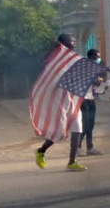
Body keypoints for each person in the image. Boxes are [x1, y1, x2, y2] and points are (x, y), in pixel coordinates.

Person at [35, 33, 87, 172]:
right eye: (71, 41)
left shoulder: (72, 57)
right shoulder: (54, 57)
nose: (74, 43)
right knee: (60, 132)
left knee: (77, 129)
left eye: (75, 41)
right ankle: (41, 150)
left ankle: (72, 162)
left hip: (72, 96)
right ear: (63, 42)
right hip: (58, 97)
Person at [79, 48, 110, 156]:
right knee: (85, 124)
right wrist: (107, 69)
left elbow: (96, 82)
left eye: (99, 57)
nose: (98, 59)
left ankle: (90, 148)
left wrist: (104, 84)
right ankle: (78, 147)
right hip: (83, 99)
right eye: (96, 57)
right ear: (90, 57)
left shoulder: (95, 68)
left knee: (91, 124)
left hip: (91, 98)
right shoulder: (85, 66)